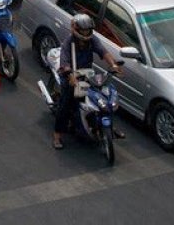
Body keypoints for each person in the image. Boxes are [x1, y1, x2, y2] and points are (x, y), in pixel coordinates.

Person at [52, 14, 123, 150]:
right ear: (76, 29)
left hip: (88, 74)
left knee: (104, 97)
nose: (85, 33)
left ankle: (109, 127)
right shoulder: (68, 43)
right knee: (65, 106)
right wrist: (70, 76)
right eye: (83, 30)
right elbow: (65, 62)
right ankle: (57, 136)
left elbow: (103, 52)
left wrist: (113, 65)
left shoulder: (93, 40)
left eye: (87, 30)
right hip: (71, 76)